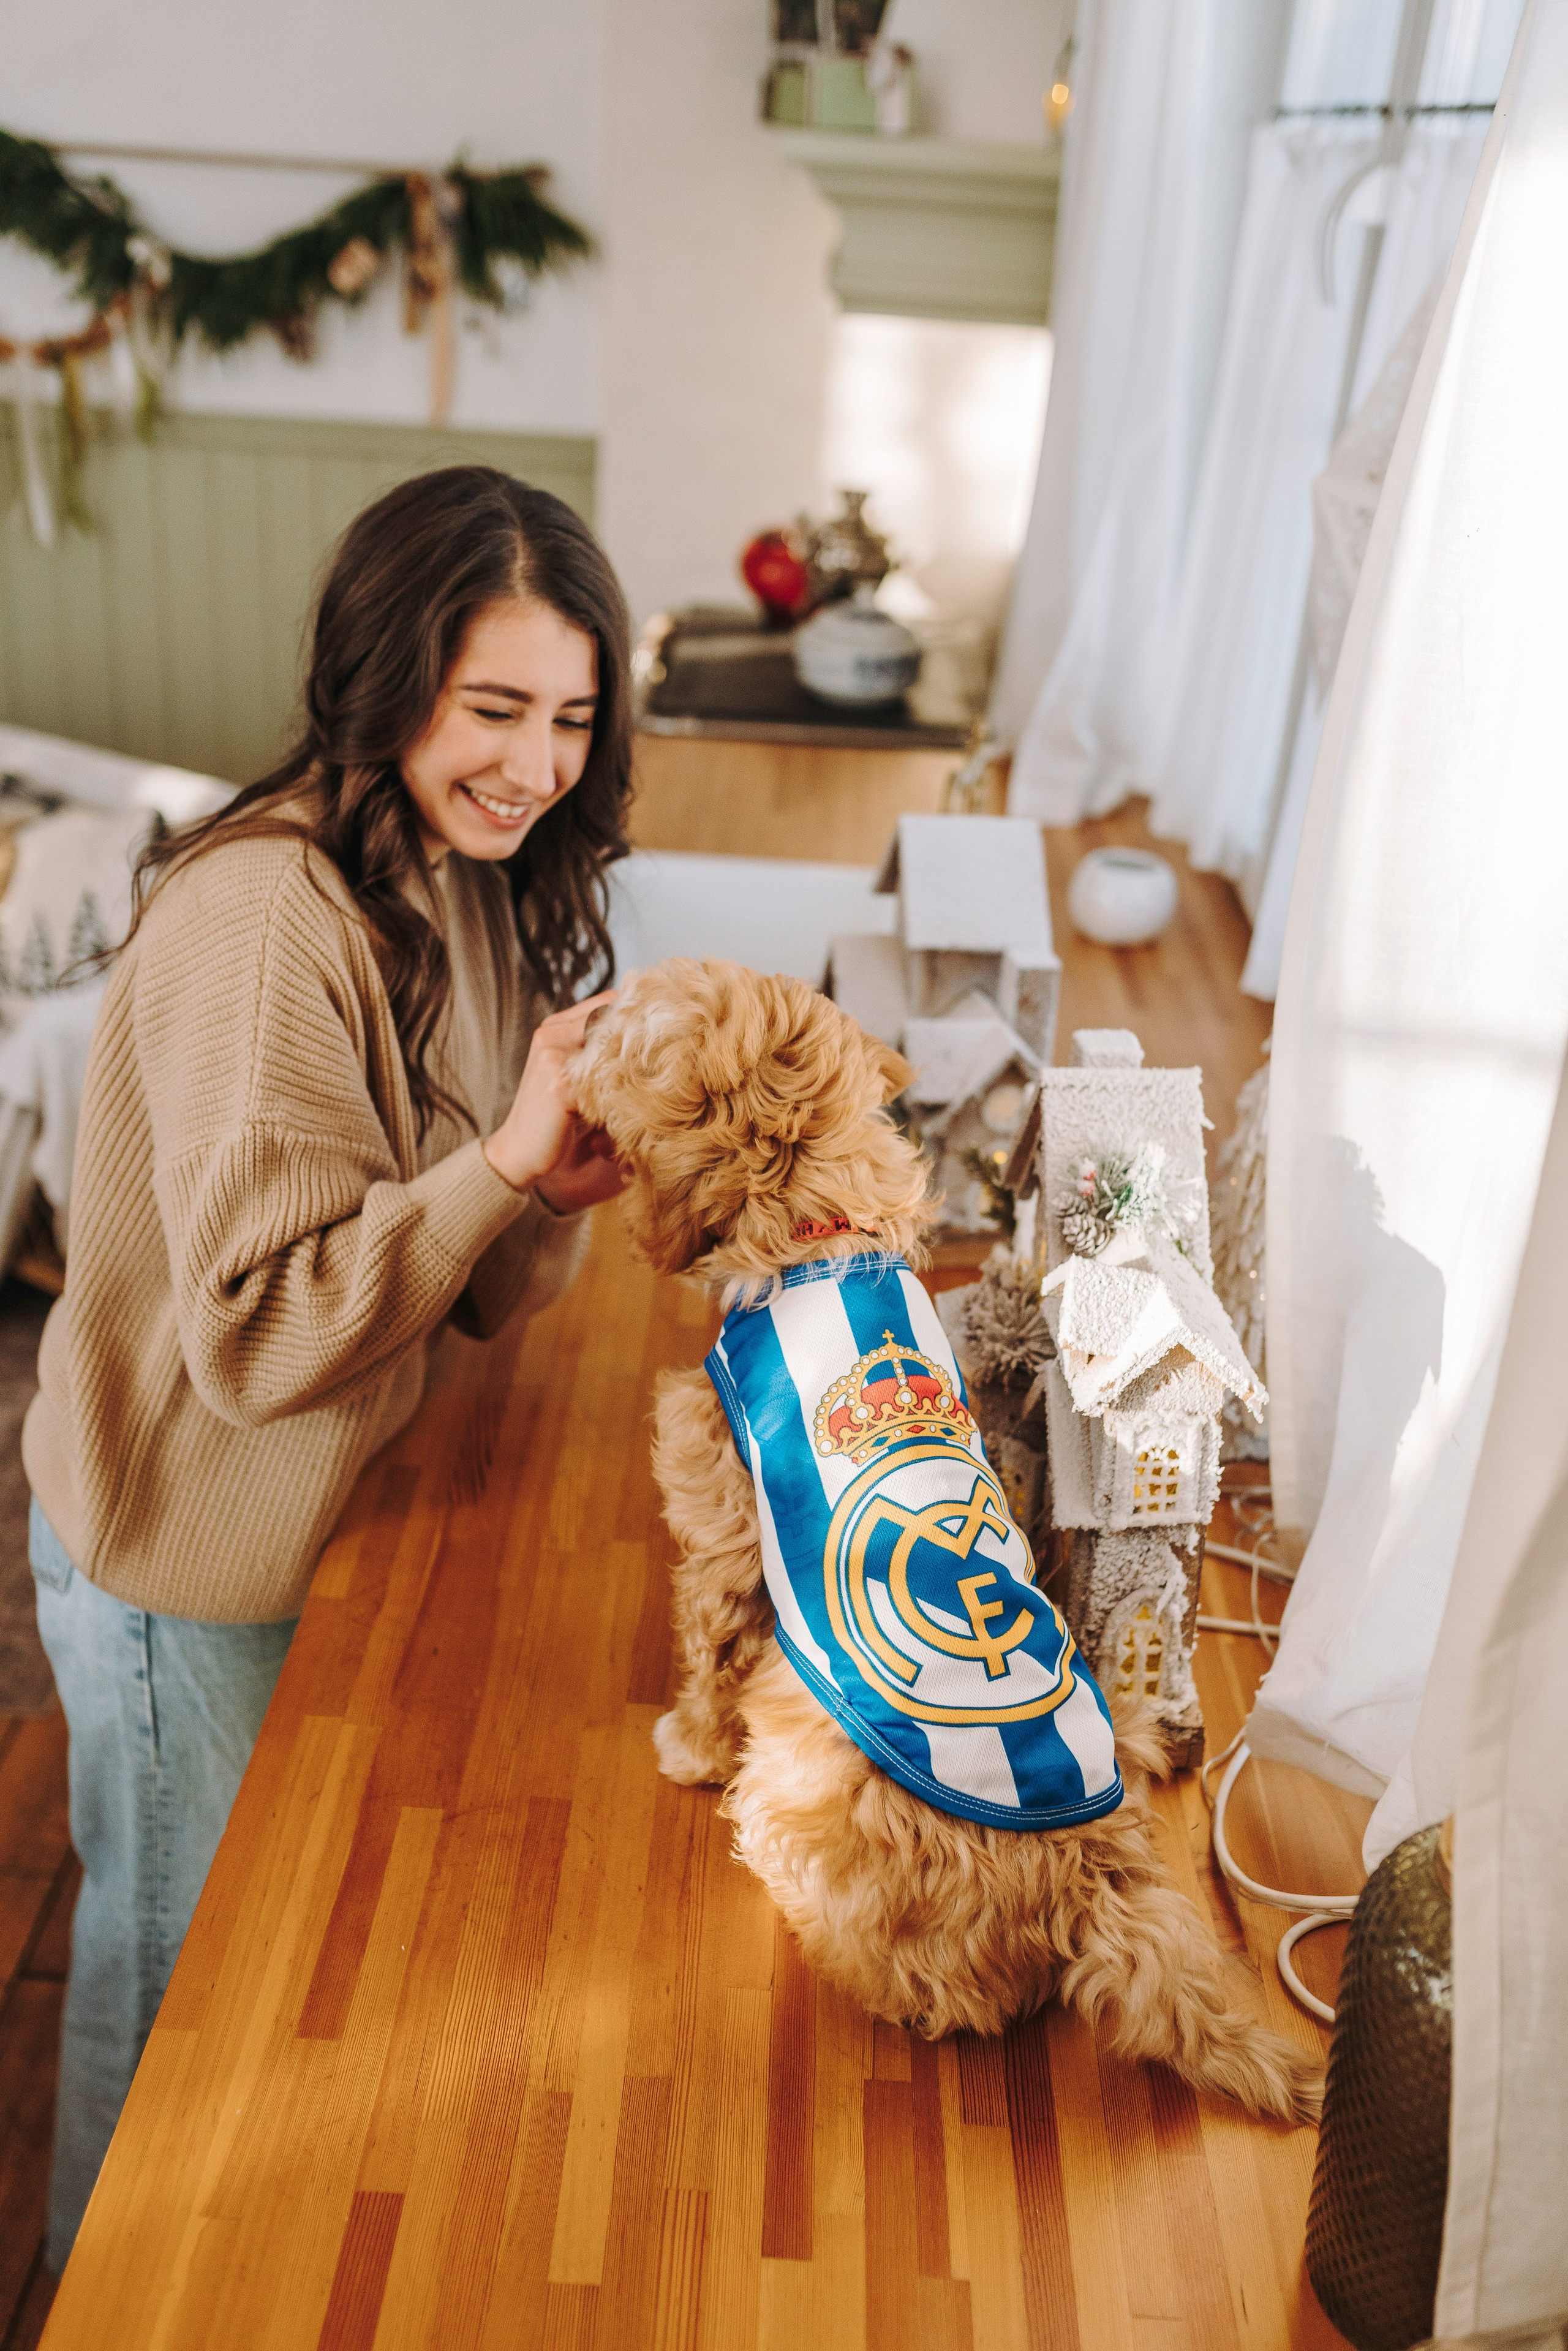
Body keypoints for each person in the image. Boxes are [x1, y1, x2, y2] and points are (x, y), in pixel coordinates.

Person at [23, 465, 630, 2271]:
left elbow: (449, 1285)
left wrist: (541, 1182)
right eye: (496, 709)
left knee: (239, 1980)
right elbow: (266, 1333)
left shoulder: (456, 873)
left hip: (304, 1522)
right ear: (388, 678)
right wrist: (502, 1171)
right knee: (162, 1994)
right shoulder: (267, 919)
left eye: (576, 720)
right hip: (180, 1566)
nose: (537, 765)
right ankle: (92, 2300)